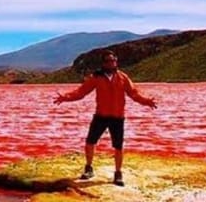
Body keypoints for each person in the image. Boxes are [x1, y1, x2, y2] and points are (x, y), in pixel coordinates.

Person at [54, 49, 157, 186]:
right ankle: (89, 168)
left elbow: (133, 93)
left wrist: (146, 101)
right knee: (90, 141)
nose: (111, 63)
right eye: (108, 61)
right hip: (101, 115)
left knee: (118, 146)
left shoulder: (123, 77)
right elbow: (81, 92)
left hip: (117, 117)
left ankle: (118, 173)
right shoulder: (96, 77)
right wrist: (65, 97)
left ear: (116, 62)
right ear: (103, 63)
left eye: (113, 60)